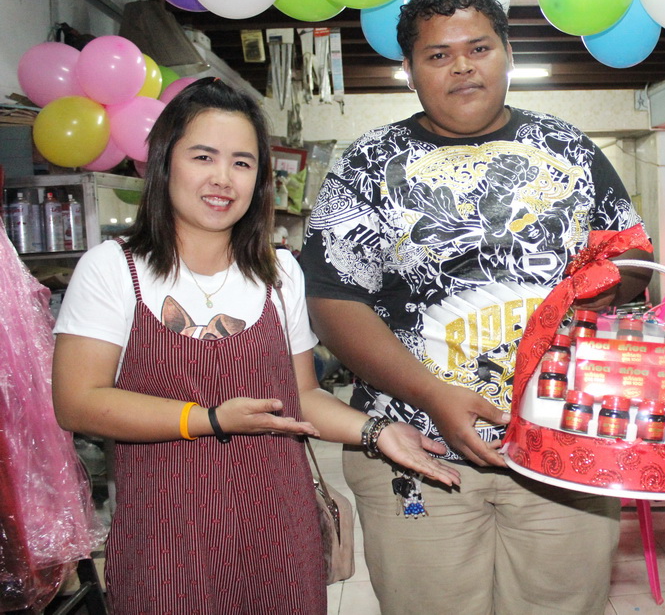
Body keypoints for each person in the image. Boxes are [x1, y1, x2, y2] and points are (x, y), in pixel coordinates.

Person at [299, 0, 652, 614]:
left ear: (508, 55)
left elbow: (632, 259)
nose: (462, 66)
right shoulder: (367, 166)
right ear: (409, 71)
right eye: (438, 55)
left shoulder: (570, 150)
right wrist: (432, 395)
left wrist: (605, 285)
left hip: (562, 446)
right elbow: (331, 299)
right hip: (416, 450)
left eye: (479, 48)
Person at [51, 78, 460, 614]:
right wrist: (211, 419)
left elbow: (302, 397)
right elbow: (78, 401)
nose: (223, 178)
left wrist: (377, 432)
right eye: (203, 156)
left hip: (278, 533)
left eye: (242, 163)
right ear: (165, 163)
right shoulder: (113, 268)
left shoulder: (279, 272)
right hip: (166, 539)